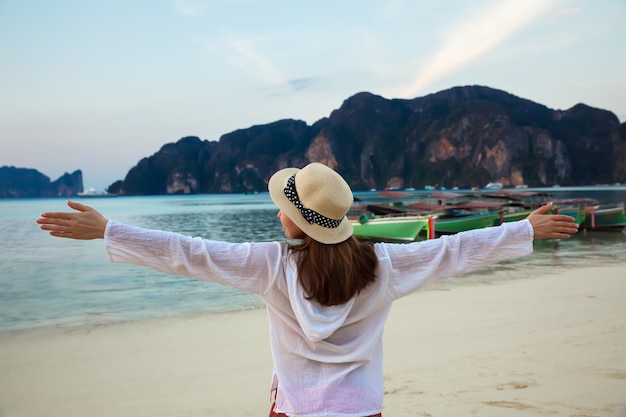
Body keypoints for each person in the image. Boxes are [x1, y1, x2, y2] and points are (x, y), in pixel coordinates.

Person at [36, 162, 579, 417]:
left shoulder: (270, 265)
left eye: (284, 207)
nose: (278, 211)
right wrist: (523, 229)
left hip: (294, 409)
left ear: (295, 222)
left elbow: (189, 252)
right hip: (360, 409)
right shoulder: (383, 263)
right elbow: (454, 252)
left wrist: (110, 230)